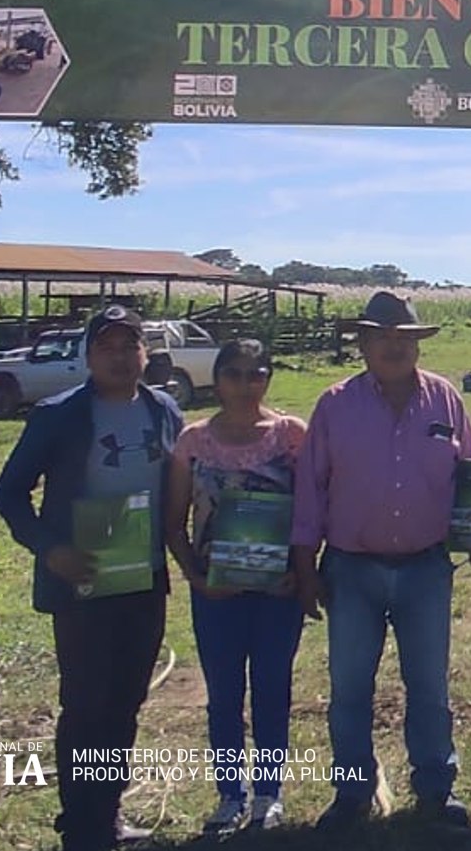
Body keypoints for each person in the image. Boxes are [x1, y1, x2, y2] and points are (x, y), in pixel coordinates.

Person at [0, 305, 183, 851]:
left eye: (130, 346)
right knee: (86, 704)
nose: (120, 358)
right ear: (88, 355)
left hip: (143, 578)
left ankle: (108, 813)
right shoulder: (58, 416)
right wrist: (51, 549)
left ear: (145, 353)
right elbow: (9, 494)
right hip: (81, 583)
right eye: (107, 347)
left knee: (126, 700)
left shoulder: (164, 410)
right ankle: (80, 825)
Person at [292, 292, 471, 831]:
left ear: (418, 344)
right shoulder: (334, 405)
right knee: (350, 688)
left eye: (404, 338)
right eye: (382, 337)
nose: (394, 347)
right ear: (363, 344)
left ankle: (436, 788)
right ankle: (353, 792)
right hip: (351, 569)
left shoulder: (445, 399)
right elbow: (310, 491)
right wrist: (305, 568)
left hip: (426, 567)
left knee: (429, 686)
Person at [163, 340, 307, 834]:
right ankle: (230, 794)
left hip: (277, 593)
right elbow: (173, 523)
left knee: (272, 688)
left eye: (256, 374)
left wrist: (301, 572)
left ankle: (269, 793)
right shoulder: (193, 441)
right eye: (234, 374)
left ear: (268, 378)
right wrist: (196, 577)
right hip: (215, 593)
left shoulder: (292, 436)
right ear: (218, 378)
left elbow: (314, 511)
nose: (245, 385)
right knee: (224, 695)